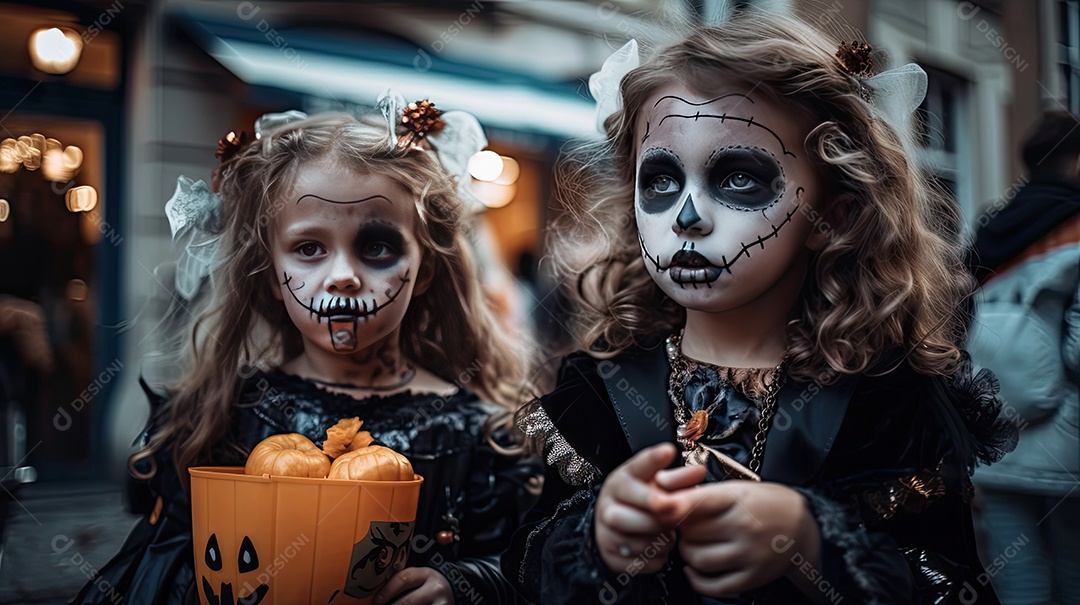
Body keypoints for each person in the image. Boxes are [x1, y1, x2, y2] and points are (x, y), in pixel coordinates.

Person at [502, 13, 1018, 604]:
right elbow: (524, 568)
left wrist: (815, 542)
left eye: (739, 179)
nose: (687, 216)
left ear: (835, 216)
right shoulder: (598, 388)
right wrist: (596, 537)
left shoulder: (887, 404)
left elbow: (950, 583)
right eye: (662, 180)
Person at [73, 105, 539, 605]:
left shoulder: (481, 431)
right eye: (310, 248)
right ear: (273, 274)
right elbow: (169, 564)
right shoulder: (223, 415)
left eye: (377, 247)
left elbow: (531, 566)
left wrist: (465, 585)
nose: (343, 276)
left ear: (423, 269)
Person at [967, 112, 1080, 605]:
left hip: (995, 430)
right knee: (1073, 569)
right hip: (1067, 440)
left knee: (1016, 570)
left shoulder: (990, 225)